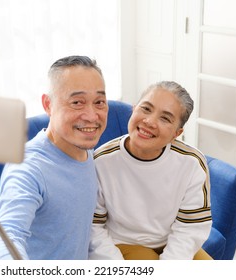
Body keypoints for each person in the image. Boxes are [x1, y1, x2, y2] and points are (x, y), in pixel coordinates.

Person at [0, 55, 108, 260]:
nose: (92, 115)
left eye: (99, 102)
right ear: (48, 104)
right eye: (77, 102)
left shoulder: (88, 151)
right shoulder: (28, 168)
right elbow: (7, 232)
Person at [89, 81, 213, 260]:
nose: (149, 122)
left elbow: (190, 227)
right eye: (146, 109)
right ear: (133, 109)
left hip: (171, 241)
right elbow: (94, 226)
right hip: (123, 243)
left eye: (165, 118)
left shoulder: (192, 163)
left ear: (176, 134)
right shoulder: (102, 161)